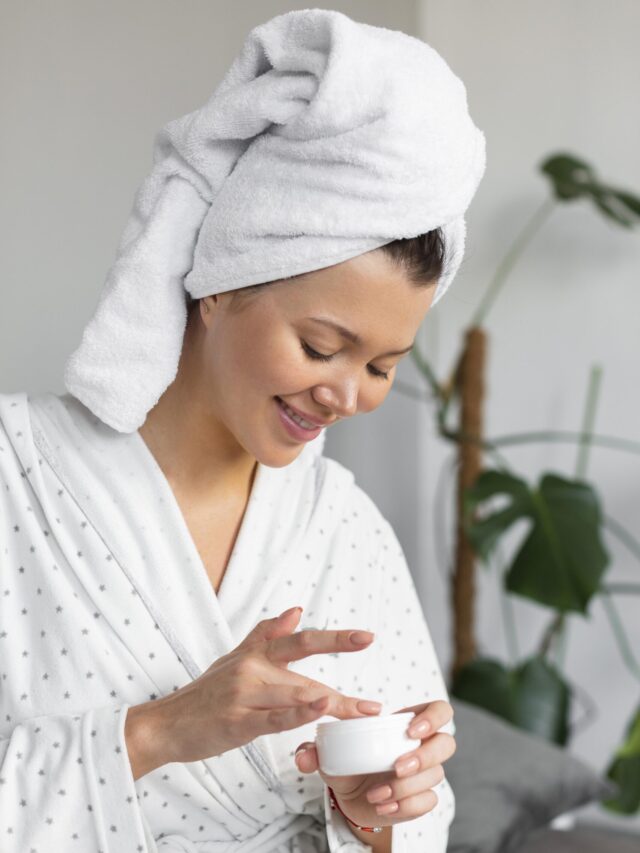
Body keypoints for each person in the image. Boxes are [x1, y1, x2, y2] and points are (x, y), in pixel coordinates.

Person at [0, 8, 485, 852]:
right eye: (321, 346)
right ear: (219, 285)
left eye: (380, 366)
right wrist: (157, 731)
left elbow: (415, 818)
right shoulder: (17, 476)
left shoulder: (342, 526)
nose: (345, 394)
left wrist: (374, 809)